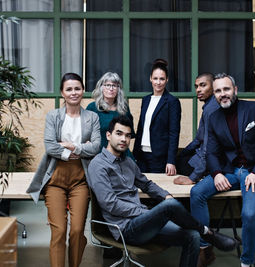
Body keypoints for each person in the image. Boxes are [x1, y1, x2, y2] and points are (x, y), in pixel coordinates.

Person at [87, 115, 238, 267]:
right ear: (108, 135)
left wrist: (165, 195)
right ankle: (208, 233)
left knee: (192, 236)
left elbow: (146, 184)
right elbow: (110, 204)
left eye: (127, 135)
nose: (124, 139)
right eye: (119, 134)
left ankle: (203, 232)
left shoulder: (128, 163)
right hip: (124, 228)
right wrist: (146, 212)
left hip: (143, 222)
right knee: (170, 206)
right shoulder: (98, 165)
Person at [190, 73, 255, 267]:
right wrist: (216, 174)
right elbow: (212, 152)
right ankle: (205, 247)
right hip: (230, 171)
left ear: (235, 90)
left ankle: (246, 262)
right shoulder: (214, 117)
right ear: (214, 94)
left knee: (249, 215)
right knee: (197, 193)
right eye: (218, 91)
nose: (222, 94)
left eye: (226, 89)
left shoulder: (254, 109)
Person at [26, 73, 101, 267]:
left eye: (77, 88)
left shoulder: (92, 117)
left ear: (83, 91)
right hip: (56, 181)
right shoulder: (53, 116)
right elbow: (51, 146)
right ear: (62, 92)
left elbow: (96, 146)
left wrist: (72, 147)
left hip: (80, 181)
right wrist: (75, 151)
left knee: (76, 231)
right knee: (58, 231)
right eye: (69, 89)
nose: (73, 92)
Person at [133, 59, 181, 175]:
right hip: (142, 154)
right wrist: (134, 154)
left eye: (162, 79)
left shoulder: (172, 102)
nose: (158, 82)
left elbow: (174, 133)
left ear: (167, 80)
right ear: (150, 78)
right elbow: (141, 128)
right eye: (155, 78)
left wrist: (171, 160)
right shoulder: (146, 100)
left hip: (160, 156)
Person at [174, 72, 219, 185]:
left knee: (177, 167)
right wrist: (182, 153)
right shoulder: (208, 107)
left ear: (214, 87)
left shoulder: (211, 110)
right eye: (196, 86)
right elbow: (198, 139)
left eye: (203, 85)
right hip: (200, 154)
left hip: (208, 163)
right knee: (178, 160)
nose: (198, 89)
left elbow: (208, 147)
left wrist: (193, 177)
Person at [86, 71, 135, 159]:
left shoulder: (124, 108)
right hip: (99, 155)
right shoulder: (93, 108)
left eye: (114, 85)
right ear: (101, 87)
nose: (111, 88)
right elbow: (85, 133)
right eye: (107, 85)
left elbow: (129, 134)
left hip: (122, 156)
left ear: (118, 89)